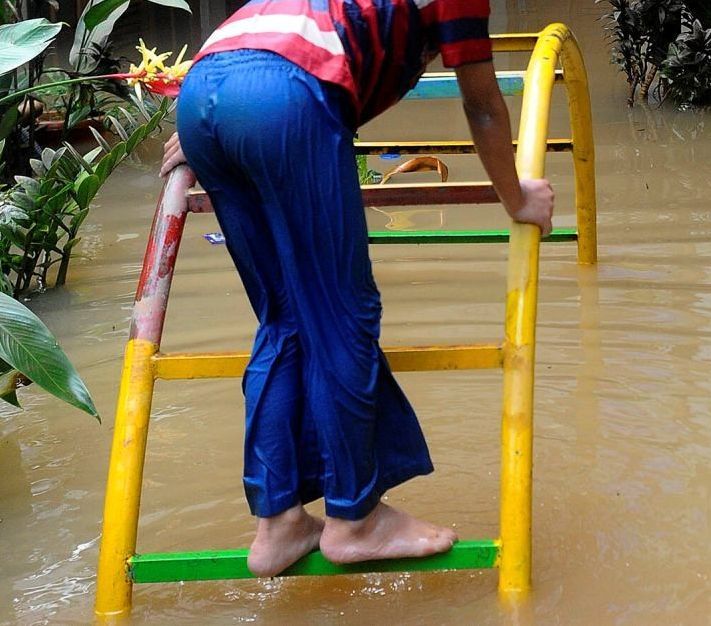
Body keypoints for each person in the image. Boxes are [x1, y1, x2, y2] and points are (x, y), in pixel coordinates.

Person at [159, 0, 554, 578]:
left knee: (284, 318)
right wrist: (517, 198)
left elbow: (266, 43)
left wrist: (218, 116)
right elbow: (483, 105)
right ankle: (355, 519)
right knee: (344, 317)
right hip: (281, 93)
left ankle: (279, 525)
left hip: (206, 89)